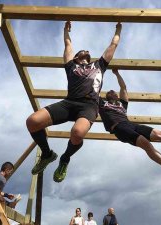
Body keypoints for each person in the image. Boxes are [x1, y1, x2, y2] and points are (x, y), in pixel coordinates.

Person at [26, 21, 122, 182]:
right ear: (77, 57)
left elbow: (113, 44)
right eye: (83, 51)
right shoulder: (71, 66)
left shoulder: (100, 65)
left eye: (88, 52)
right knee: (32, 121)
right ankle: (47, 154)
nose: (87, 52)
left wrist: (118, 29)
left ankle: (65, 158)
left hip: (89, 106)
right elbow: (68, 44)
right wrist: (65, 30)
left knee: (77, 133)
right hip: (69, 103)